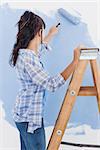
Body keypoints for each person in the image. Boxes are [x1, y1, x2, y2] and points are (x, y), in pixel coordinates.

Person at [10, 10, 81, 150]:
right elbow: (51, 84)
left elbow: (38, 50)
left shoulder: (24, 52)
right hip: (30, 120)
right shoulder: (29, 59)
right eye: (42, 30)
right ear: (38, 33)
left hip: (23, 116)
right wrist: (75, 62)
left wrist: (50, 35)